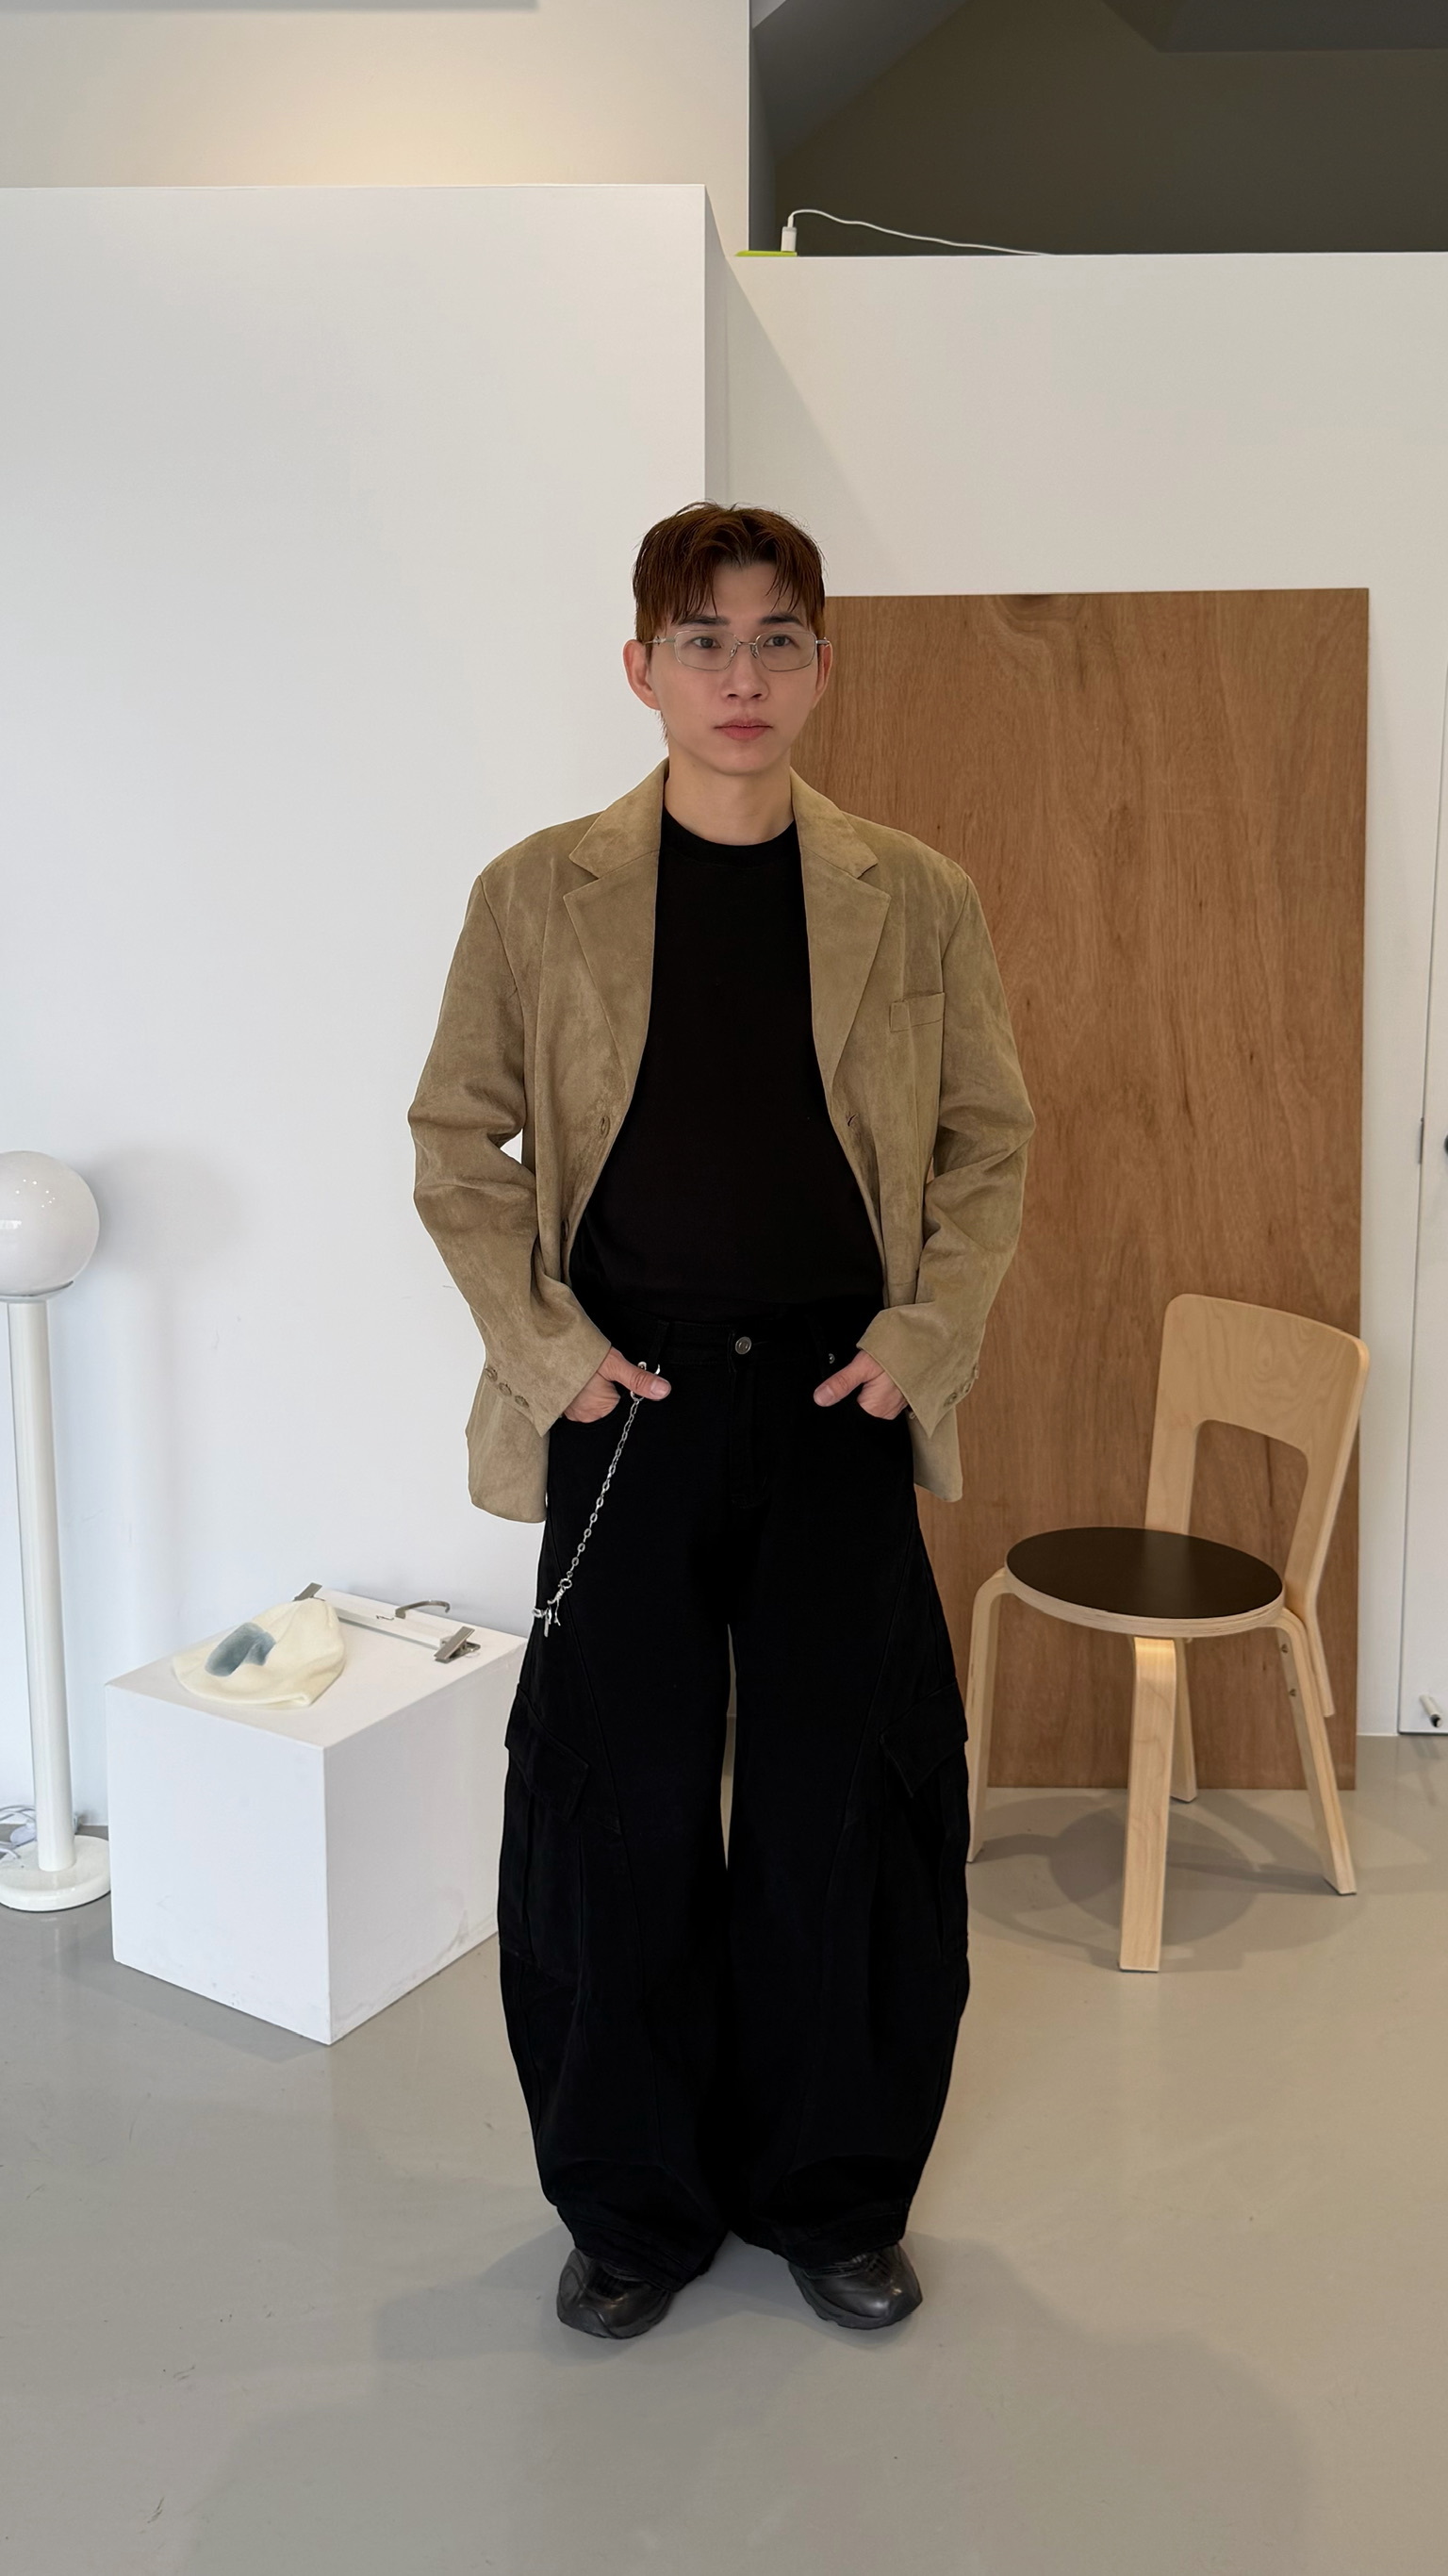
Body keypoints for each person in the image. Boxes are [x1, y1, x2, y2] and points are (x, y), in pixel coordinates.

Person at [408, 503, 1035, 2339]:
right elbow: (456, 1146)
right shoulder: (537, 894)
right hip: (630, 1395)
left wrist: (927, 1337)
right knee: (614, 1806)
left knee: (848, 1804)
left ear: (821, 667)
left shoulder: (916, 894)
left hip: (843, 1390)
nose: (740, 675)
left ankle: (832, 2194)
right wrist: (553, 1355)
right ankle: (632, 2204)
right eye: (704, 639)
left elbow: (988, 1144)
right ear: (642, 667)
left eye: (775, 640)